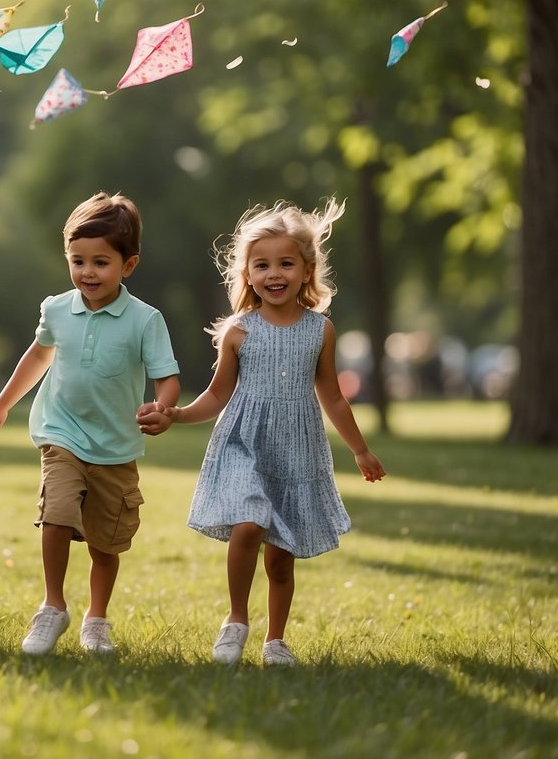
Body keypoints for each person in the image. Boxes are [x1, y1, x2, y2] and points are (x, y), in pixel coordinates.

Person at [138, 199, 385, 667]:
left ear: (307, 271)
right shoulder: (239, 331)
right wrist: (176, 416)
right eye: (263, 264)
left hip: (296, 449)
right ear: (247, 274)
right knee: (248, 526)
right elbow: (215, 397)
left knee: (280, 556)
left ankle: (276, 641)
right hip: (243, 443)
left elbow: (333, 396)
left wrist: (361, 450)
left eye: (286, 263)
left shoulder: (321, 331)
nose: (275, 273)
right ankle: (235, 621)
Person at [0, 192, 181, 655]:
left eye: (101, 262)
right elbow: (38, 357)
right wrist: (1, 405)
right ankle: (52, 606)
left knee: (105, 544)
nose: (88, 272)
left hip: (116, 444)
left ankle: (97, 619)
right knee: (54, 514)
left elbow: (167, 378)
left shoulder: (145, 320)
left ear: (128, 265)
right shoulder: (56, 309)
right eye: (78, 261)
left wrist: (164, 408)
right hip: (61, 432)